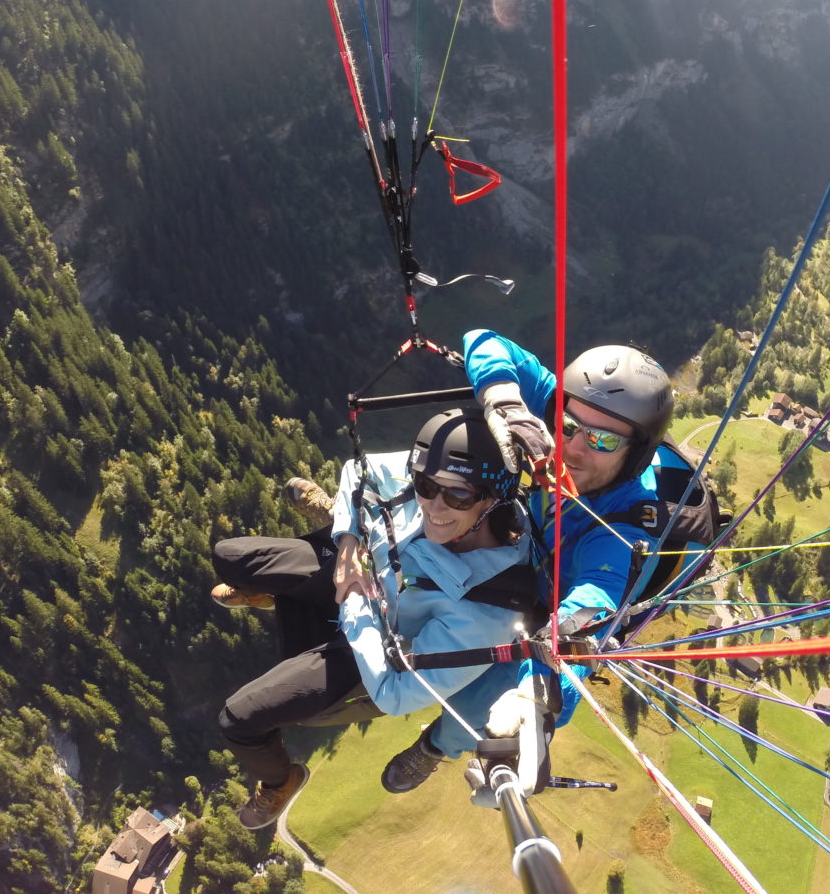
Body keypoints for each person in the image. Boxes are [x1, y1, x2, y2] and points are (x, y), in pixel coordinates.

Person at [210, 406, 533, 829]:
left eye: (457, 496)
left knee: (237, 720)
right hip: (365, 565)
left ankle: (280, 780)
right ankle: (283, 592)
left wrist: (353, 598)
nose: (434, 506)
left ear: (494, 498)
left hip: (373, 641)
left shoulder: (490, 608)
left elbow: (396, 696)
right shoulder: (442, 467)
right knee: (228, 557)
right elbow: (357, 470)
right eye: (424, 485)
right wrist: (347, 544)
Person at [379, 328, 676, 788]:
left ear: (636, 456)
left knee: (483, 701)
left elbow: (596, 598)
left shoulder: (625, 526)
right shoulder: (558, 409)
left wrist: (536, 695)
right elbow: (483, 340)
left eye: (602, 442)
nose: (574, 448)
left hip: (550, 607)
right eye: (570, 428)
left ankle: (435, 745)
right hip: (520, 550)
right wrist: (508, 404)